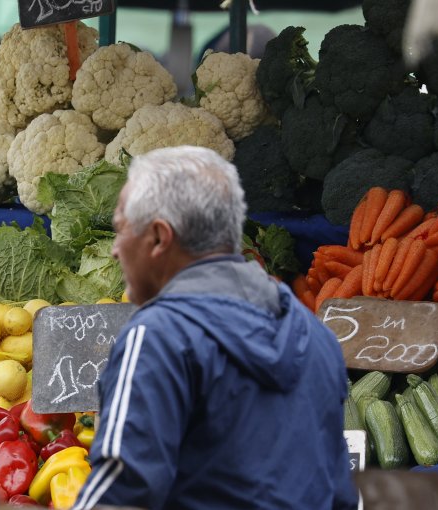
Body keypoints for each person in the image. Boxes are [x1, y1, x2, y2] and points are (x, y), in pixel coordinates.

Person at [72, 146, 358, 510]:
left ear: (160, 238)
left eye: (122, 229)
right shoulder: (316, 335)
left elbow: (120, 495)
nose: (115, 249)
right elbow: (337, 494)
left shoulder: (158, 337)